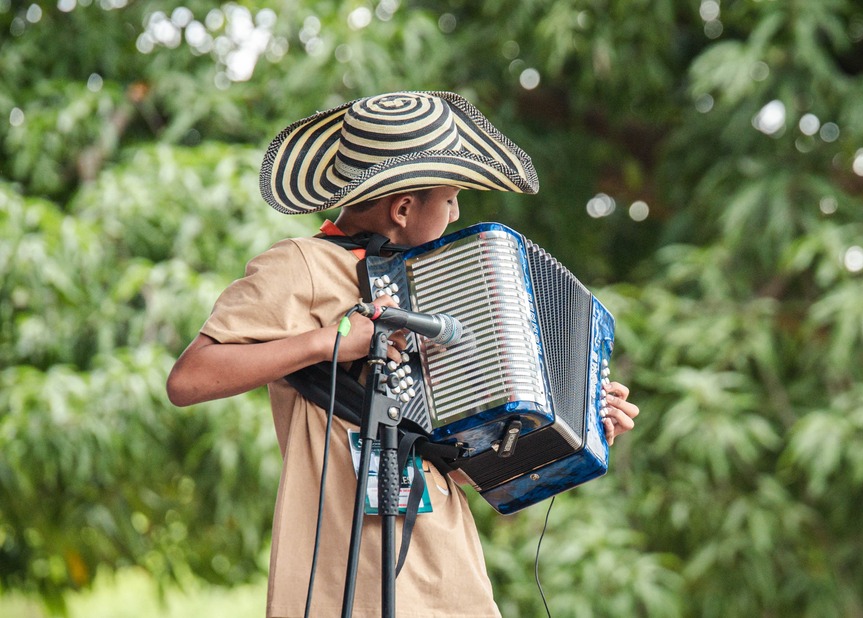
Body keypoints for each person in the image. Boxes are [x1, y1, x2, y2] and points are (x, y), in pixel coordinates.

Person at [166, 91, 640, 618]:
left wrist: (581, 430)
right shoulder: (303, 265)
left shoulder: (436, 292)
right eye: (452, 196)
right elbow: (189, 379)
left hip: (447, 568)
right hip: (350, 565)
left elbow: (458, 467)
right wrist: (331, 342)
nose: (458, 211)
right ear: (404, 208)